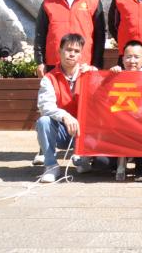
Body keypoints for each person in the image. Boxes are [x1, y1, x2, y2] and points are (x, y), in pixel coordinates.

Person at [36, 33, 93, 183]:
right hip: (62, 129)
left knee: (89, 164)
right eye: (68, 49)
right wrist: (66, 117)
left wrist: (95, 74)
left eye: (76, 51)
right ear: (60, 51)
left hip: (85, 131)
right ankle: (51, 166)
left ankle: (84, 158)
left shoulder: (90, 74)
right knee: (43, 121)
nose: (72, 54)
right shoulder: (49, 78)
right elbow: (45, 106)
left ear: (81, 54)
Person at [34, 0, 105, 76]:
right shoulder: (49, 2)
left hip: (84, 63)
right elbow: (40, 33)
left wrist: (96, 64)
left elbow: (100, 35)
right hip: (54, 61)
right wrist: (40, 61)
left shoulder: (93, 0)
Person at [110, 40, 142, 182]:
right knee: (103, 164)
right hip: (117, 121)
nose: (132, 61)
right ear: (122, 59)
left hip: (141, 120)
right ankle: (120, 164)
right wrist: (110, 76)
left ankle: (140, 167)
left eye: (136, 57)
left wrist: (135, 115)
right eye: (128, 57)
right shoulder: (117, 75)